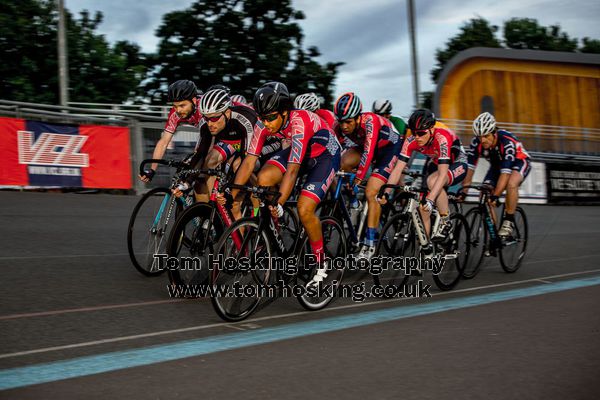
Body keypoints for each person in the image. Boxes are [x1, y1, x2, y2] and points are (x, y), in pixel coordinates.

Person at [227, 82, 341, 285]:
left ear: (285, 112)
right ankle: (274, 228)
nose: (265, 123)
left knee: (304, 209)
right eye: (262, 117)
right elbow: (249, 162)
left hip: (325, 154)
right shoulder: (263, 123)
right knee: (263, 178)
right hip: (303, 151)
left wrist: (280, 203)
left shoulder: (299, 121)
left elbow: (293, 170)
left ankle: (321, 261)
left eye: (270, 118)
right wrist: (233, 195)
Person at [333, 92, 403, 260]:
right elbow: (335, 151)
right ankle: (355, 203)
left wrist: (357, 179)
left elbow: (369, 153)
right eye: (341, 122)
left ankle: (369, 245)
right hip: (364, 146)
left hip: (388, 149)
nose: (344, 127)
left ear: (358, 118)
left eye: (348, 122)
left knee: (371, 192)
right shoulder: (339, 127)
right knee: (343, 162)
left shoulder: (370, 121)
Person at [390, 109, 468, 249]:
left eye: (421, 133)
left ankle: (445, 220)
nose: (417, 137)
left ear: (432, 129)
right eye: (414, 133)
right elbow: (397, 169)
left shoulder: (442, 137)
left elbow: (443, 174)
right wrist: (386, 191)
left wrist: (431, 199)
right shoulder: (412, 140)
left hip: (457, 162)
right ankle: (425, 249)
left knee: (433, 182)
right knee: (423, 208)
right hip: (437, 161)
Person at [462, 112, 531, 237]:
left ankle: (508, 221)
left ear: (494, 133)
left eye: (486, 136)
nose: (482, 140)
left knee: (511, 183)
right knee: (484, 193)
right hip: (497, 166)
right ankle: (493, 236)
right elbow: (470, 168)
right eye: (479, 137)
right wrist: (463, 192)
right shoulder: (476, 143)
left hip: (519, 161)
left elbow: (505, 174)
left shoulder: (506, 142)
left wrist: (496, 195)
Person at [139, 80, 202, 182]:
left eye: (182, 105)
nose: (178, 110)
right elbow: (163, 142)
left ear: (194, 100)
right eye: (175, 106)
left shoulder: (204, 107)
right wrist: (152, 170)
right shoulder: (175, 114)